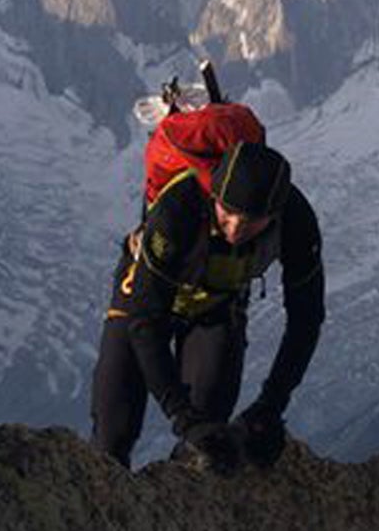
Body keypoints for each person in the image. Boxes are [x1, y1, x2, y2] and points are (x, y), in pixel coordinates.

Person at [90, 139, 324, 470]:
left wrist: (270, 406)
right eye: (227, 211)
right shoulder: (178, 208)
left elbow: (306, 320)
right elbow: (144, 323)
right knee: (112, 436)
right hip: (143, 298)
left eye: (251, 220)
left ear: (274, 214)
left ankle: (185, 493)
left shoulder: (297, 220)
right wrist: (182, 417)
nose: (235, 228)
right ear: (212, 194)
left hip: (216, 305)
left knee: (211, 440)